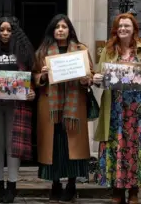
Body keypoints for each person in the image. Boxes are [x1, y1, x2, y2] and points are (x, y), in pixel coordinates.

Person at [92, 13, 141, 204]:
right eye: (120, 26)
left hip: (138, 108)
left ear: (134, 29)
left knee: (135, 147)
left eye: (127, 26)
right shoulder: (108, 51)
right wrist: (96, 79)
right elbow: (100, 76)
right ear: (115, 29)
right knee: (116, 147)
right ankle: (117, 191)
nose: (123, 29)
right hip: (114, 108)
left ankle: (134, 191)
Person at [32, 14, 94, 203]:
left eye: (64, 27)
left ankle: (72, 185)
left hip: (74, 107)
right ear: (52, 30)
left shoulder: (81, 49)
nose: (60, 30)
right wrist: (41, 76)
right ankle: (55, 184)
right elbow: (33, 77)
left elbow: (90, 74)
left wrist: (86, 78)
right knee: (55, 146)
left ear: (69, 30)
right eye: (57, 27)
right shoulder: (42, 51)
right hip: (50, 107)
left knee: (72, 146)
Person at [0, 16, 36, 203]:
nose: (5, 33)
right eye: (2, 30)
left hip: (17, 106)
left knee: (13, 146)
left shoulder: (24, 52)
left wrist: (32, 91)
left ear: (14, 32)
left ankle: (12, 187)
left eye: (8, 30)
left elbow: (33, 76)